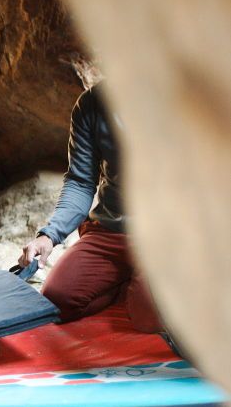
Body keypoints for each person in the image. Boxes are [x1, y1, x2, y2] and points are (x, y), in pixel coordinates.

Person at [16, 83, 162, 332]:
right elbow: (81, 181)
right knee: (57, 300)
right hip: (112, 229)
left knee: (148, 317)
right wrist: (50, 235)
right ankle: (127, 283)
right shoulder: (93, 103)